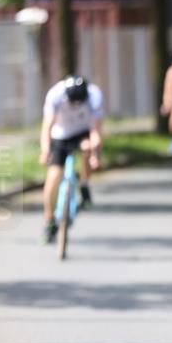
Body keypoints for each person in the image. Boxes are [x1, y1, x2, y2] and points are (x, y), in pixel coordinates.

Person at [39, 75, 104, 244]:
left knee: (88, 148)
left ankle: (84, 184)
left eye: (79, 104)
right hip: (60, 135)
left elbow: (96, 130)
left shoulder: (94, 95)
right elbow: (47, 127)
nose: (75, 107)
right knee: (53, 177)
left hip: (83, 132)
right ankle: (49, 220)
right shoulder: (55, 95)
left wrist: (96, 155)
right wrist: (45, 150)